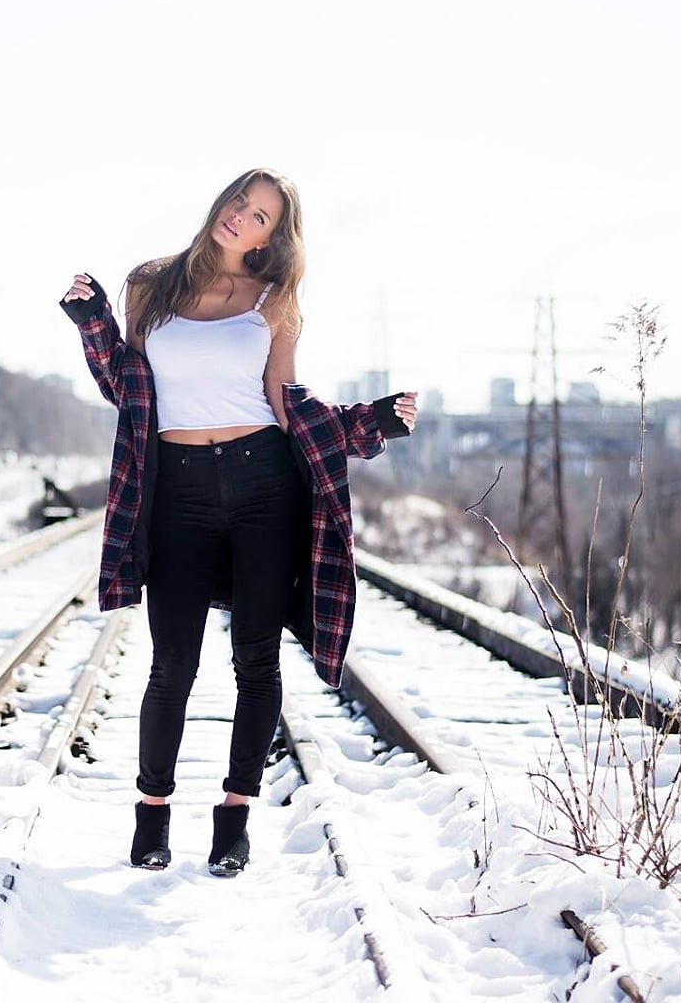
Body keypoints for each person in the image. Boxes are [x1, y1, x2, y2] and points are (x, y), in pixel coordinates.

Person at [59, 168, 417, 876]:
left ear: (271, 236)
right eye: (238, 203)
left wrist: (365, 425)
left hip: (263, 486)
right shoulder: (150, 286)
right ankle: (151, 817)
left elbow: (286, 406)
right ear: (221, 203)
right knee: (172, 663)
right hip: (179, 492)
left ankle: (233, 820)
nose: (240, 218)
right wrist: (93, 321)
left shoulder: (274, 302)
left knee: (256, 660)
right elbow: (124, 386)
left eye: (259, 216)